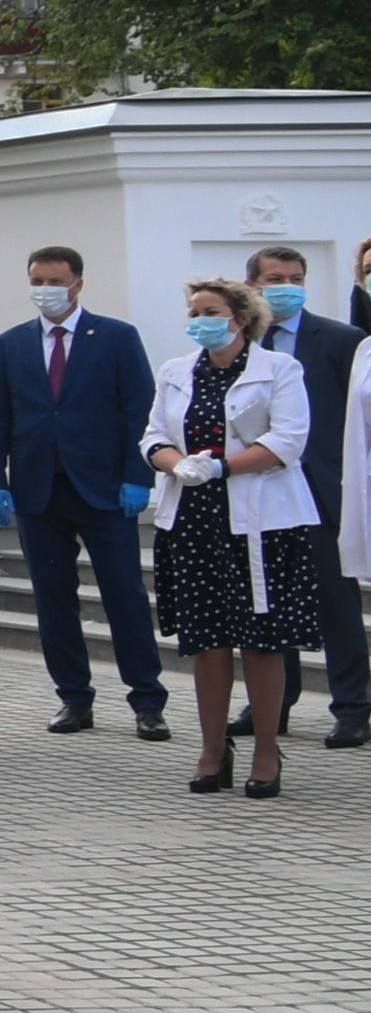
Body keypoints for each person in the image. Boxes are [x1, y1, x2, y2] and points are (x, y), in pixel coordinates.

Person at [0, 242, 168, 739]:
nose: (46, 291)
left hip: (104, 488)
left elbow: (139, 410)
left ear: (78, 284)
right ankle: (73, 698)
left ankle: (147, 699)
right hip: (39, 490)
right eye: (37, 282)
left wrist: (138, 476)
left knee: (124, 594)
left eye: (55, 281)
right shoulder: (13, 342)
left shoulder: (116, 337)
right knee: (53, 597)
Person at [149, 276, 324, 801]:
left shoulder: (279, 369)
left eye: (211, 310)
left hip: (262, 522)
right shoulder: (176, 371)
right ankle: (212, 748)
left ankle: (267, 750)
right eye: (194, 310)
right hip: (194, 519)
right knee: (207, 641)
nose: (199, 318)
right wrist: (179, 464)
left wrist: (221, 468)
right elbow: (153, 435)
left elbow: (287, 440)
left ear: (240, 319)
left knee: (262, 640)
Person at [245, 245, 366, 747]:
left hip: (320, 491)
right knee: (265, 604)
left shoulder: (343, 340)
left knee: (336, 604)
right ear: (252, 284)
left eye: (295, 277)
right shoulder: (240, 342)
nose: (286, 286)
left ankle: (355, 707)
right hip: (258, 494)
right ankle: (273, 705)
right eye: (275, 278)